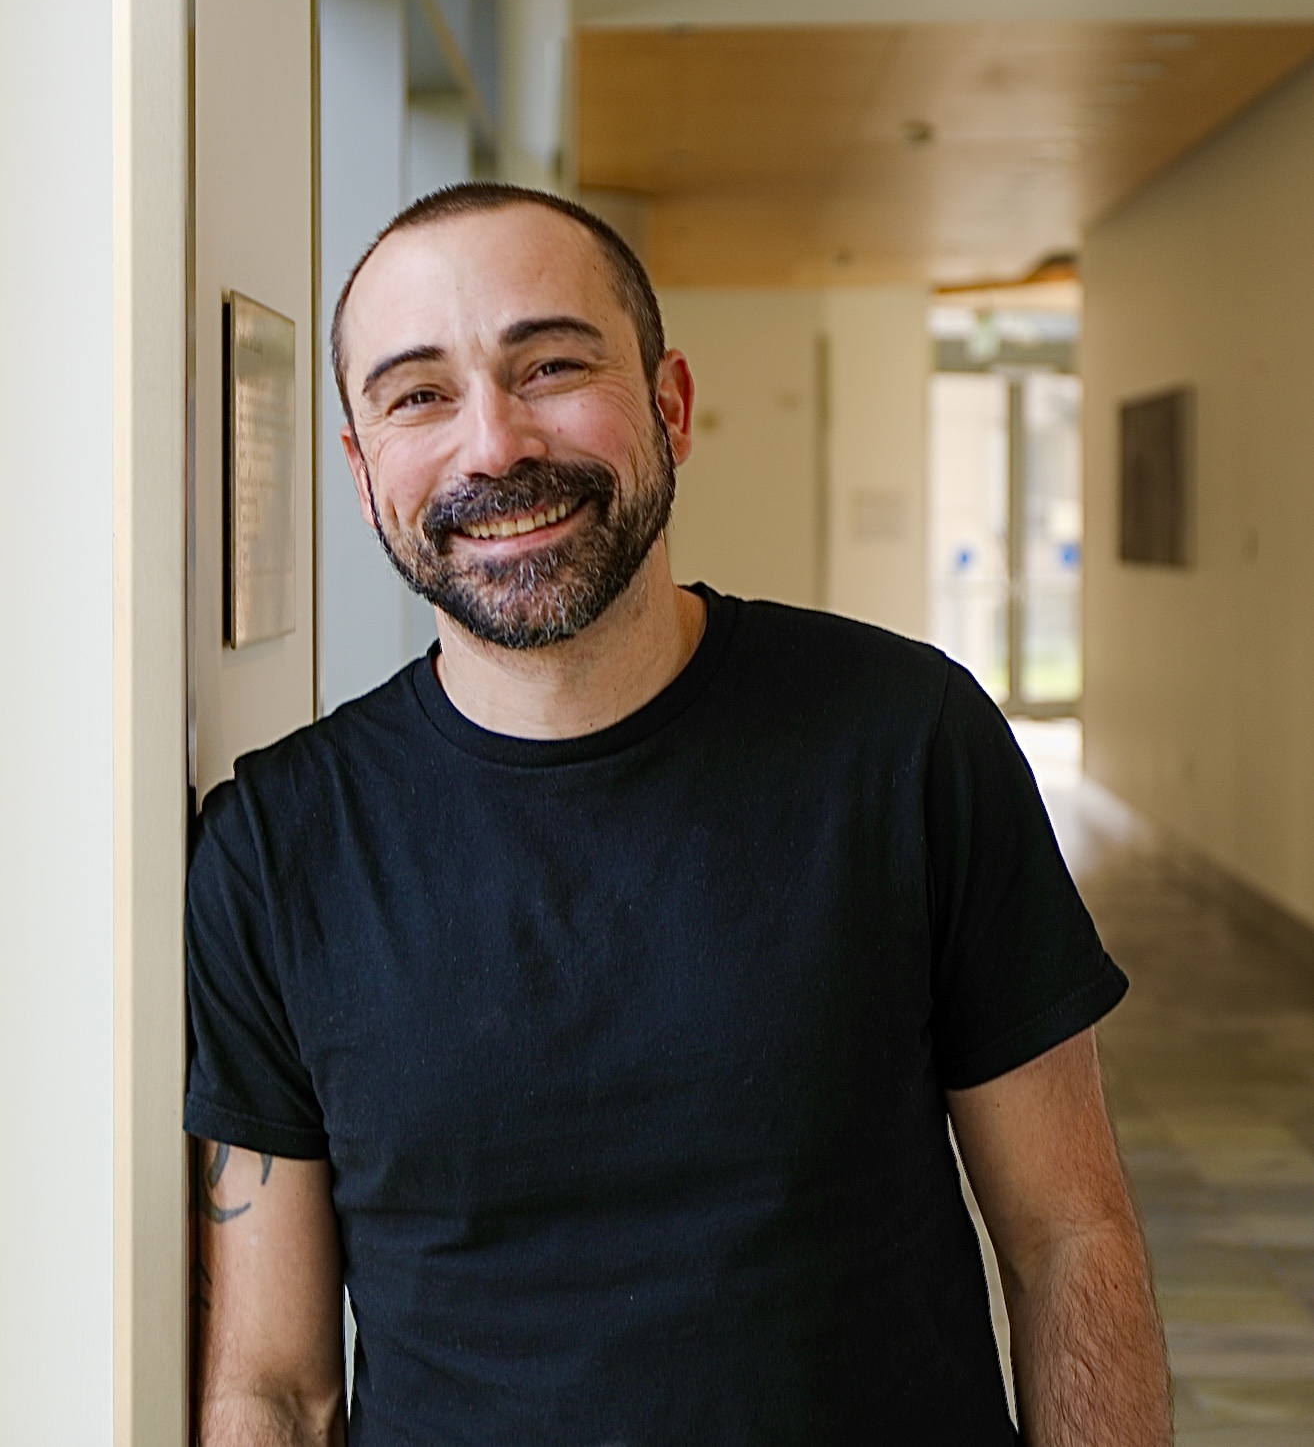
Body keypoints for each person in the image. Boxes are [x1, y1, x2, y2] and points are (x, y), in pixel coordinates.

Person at [185, 183, 1172, 1446]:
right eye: (418, 394)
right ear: (363, 466)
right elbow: (275, 1383)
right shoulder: (277, 846)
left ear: (673, 406)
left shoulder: (905, 738)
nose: (494, 443)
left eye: (549, 365)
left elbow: (1068, 1235)